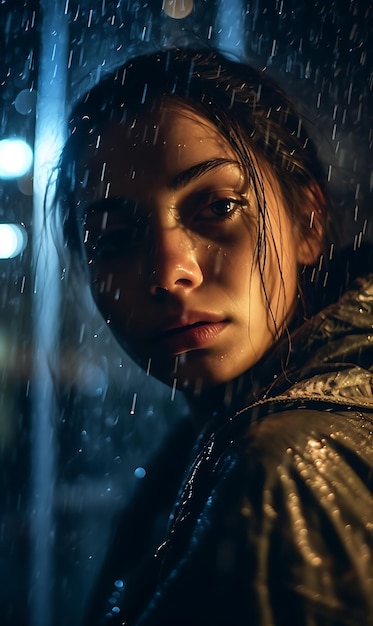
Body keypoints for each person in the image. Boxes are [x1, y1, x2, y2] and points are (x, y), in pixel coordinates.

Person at [55, 48, 373, 625]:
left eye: (218, 207)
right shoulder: (211, 440)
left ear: (307, 221)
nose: (169, 271)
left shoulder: (285, 467)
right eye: (114, 237)